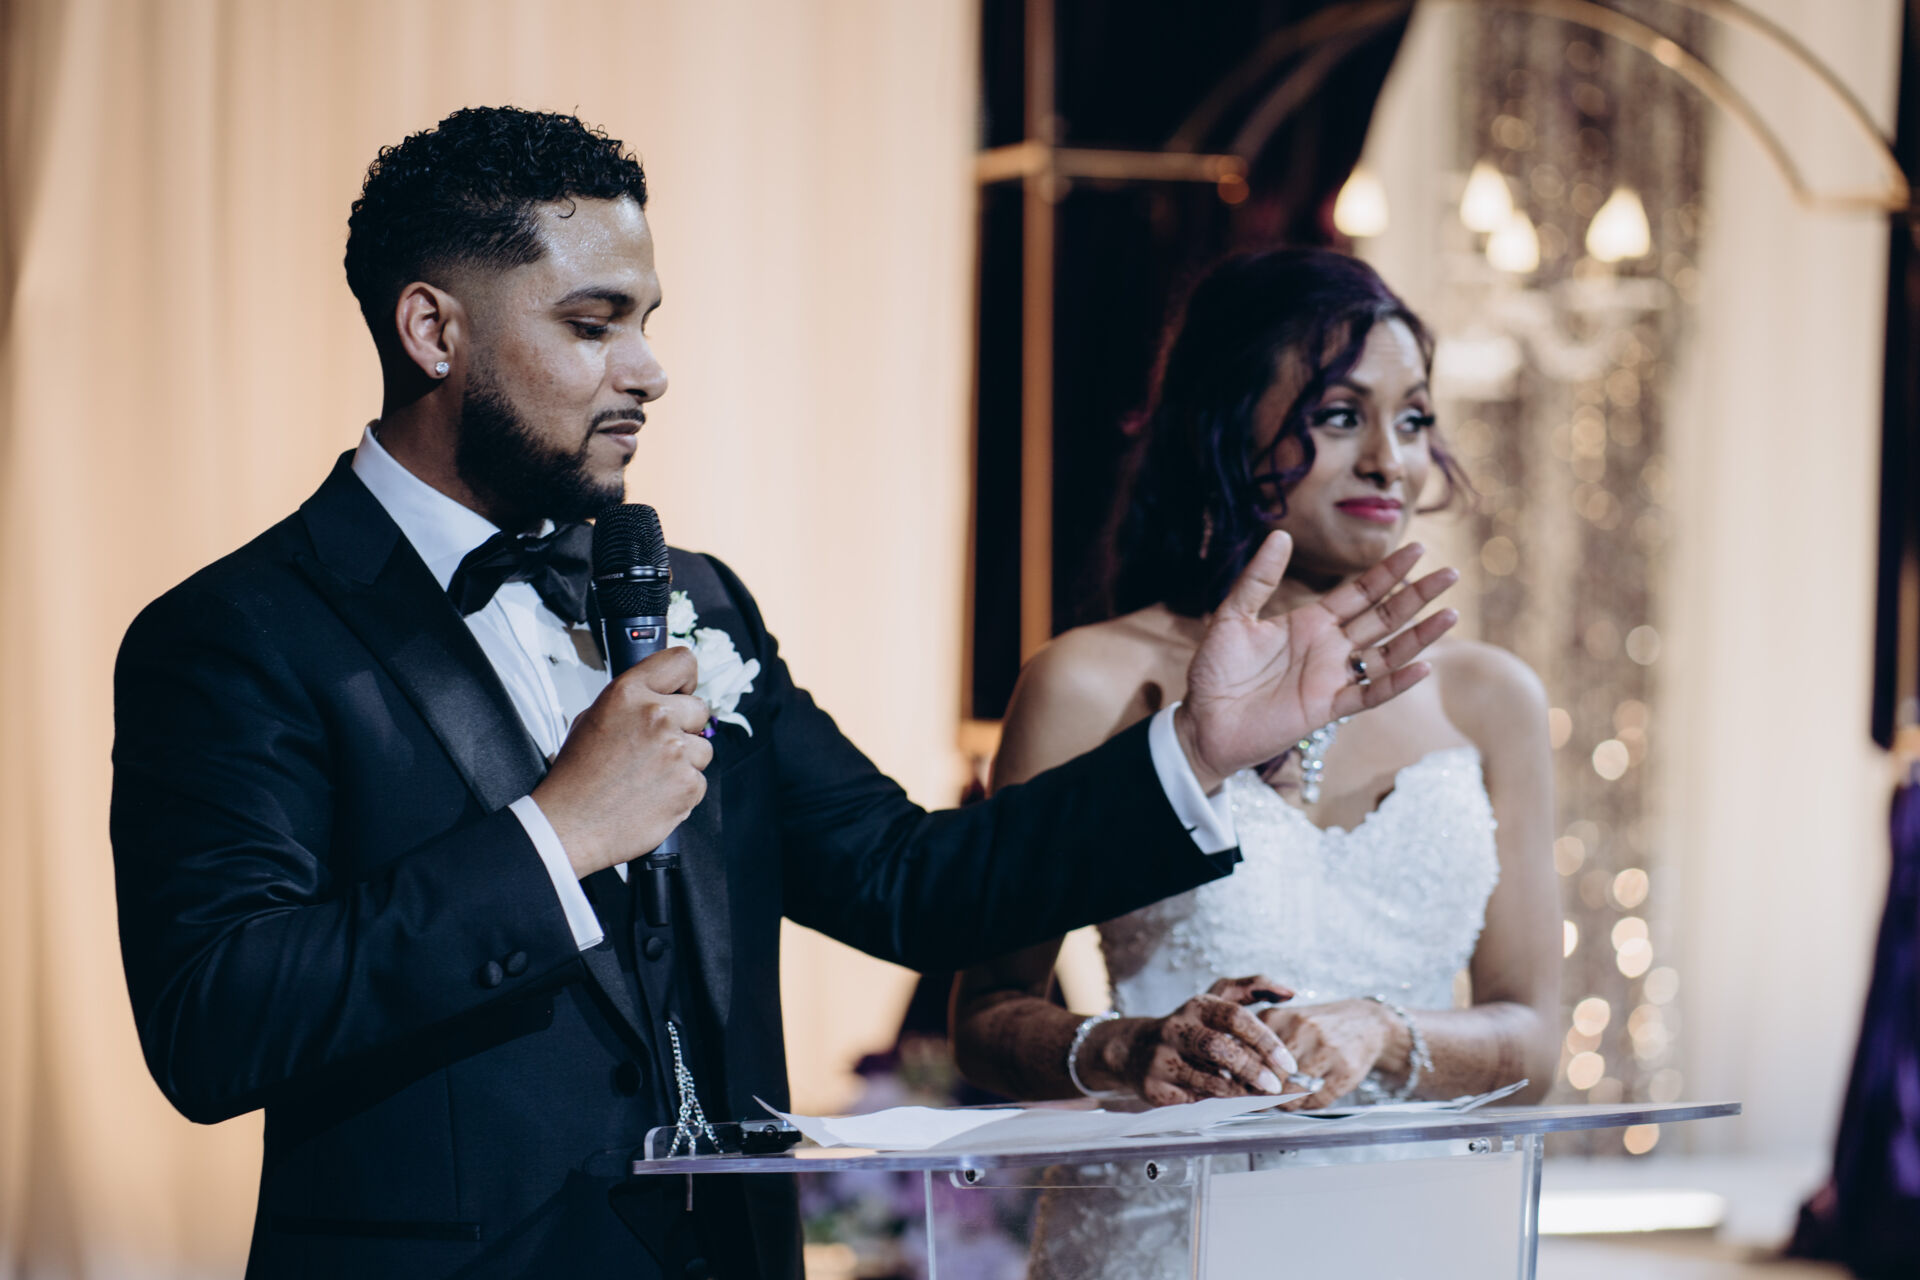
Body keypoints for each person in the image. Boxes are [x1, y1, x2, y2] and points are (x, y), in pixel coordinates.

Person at [109, 112, 1457, 1280]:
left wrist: (1195, 747)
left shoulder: (695, 594)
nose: (649, 368)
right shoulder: (238, 634)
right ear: (432, 330)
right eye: (592, 324)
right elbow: (216, 1023)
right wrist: (556, 835)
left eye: (647, 322)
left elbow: (915, 884)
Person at [949, 249, 1560, 1279]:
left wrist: (1385, 1030)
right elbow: (985, 1016)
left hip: (1419, 1237)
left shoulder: (1490, 698)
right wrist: (1135, 1048)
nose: (1390, 460)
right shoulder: (1088, 685)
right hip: (1164, 1241)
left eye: (1414, 419)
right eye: (1339, 415)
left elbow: (1535, 1044)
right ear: (1226, 423)